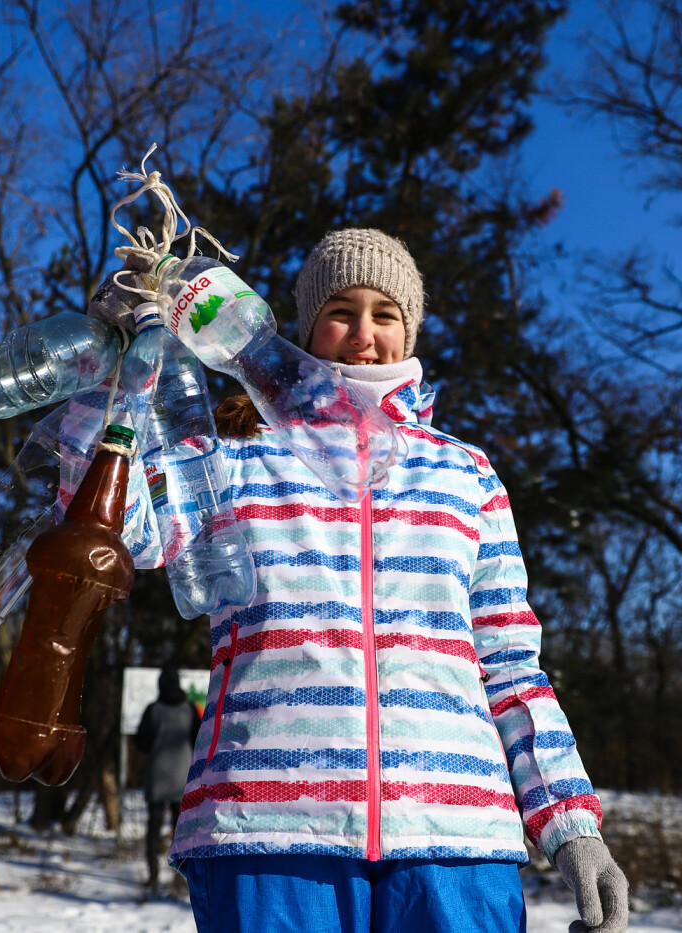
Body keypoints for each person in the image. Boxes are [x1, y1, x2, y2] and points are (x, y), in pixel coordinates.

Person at [88, 229, 628, 933]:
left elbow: (510, 669)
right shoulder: (229, 458)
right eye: (342, 309)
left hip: (458, 838)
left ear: (410, 330)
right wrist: (115, 370)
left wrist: (571, 824)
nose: (364, 333)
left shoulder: (466, 474)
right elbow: (107, 525)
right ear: (306, 325)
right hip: (266, 832)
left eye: (386, 313)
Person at [134, 664, 202, 894]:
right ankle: (179, 879)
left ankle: (153, 877)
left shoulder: (153, 709)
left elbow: (140, 743)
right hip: (182, 777)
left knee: (153, 829)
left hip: (157, 776)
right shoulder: (190, 709)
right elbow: (198, 741)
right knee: (180, 832)